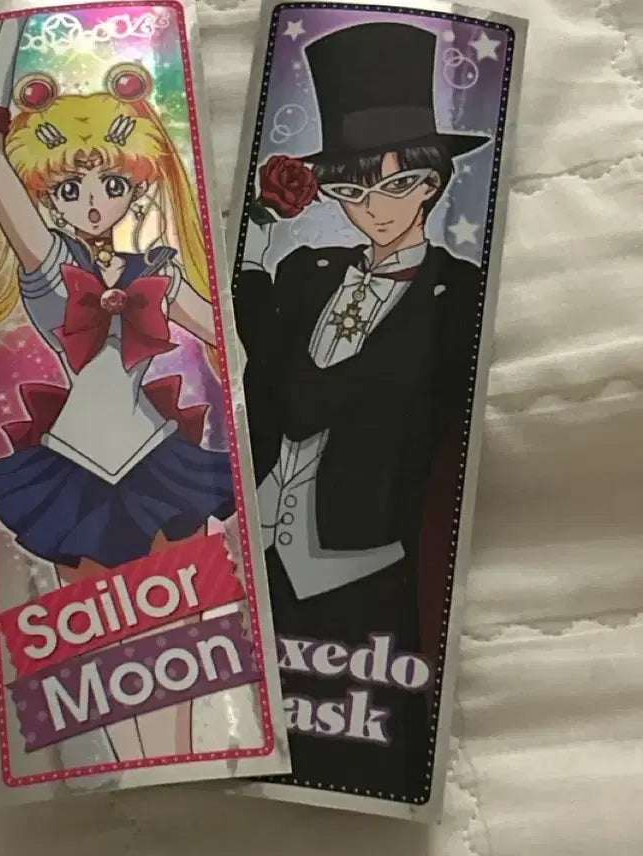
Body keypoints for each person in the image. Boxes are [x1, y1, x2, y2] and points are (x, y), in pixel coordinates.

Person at [0, 16, 233, 762]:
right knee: (103, 649)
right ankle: (131, 775)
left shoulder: (158, 270)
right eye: (72, 186)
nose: (92, 200)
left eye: (111, 184)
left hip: (159, 462)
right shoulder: (50, 266)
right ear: (48, 196)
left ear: (135, 188)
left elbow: (227, 338)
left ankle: (181, 769)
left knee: (179, 642)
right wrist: (6, 38)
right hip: (74, 473)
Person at [233, 21, 486, 798]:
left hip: (366, 562)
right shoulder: (309, 271)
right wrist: (259, 221)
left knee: (360, 759)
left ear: (432, 182)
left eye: (397, 186)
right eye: (351, 191)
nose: (374, 208)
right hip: (260, 559)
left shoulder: (459, 294)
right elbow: (246, 326)